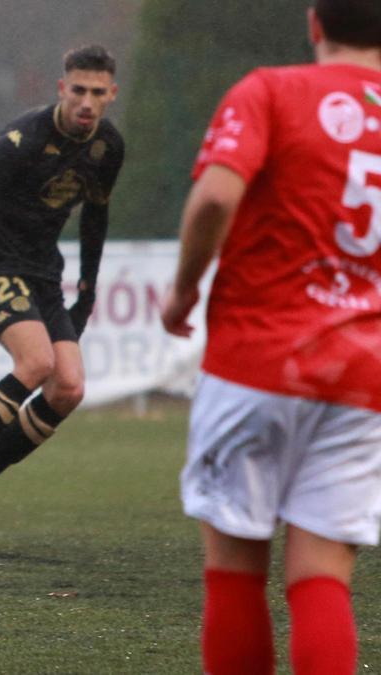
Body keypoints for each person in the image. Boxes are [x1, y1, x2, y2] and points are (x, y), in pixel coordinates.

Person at [160, 2, 381, 672]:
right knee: (321, 574)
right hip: (360, 378)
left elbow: (217, 198)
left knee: (234, 565)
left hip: (255, 359)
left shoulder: (270, 91)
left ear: (314, 23)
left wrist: (184, 288)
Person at [0, 45, 124, 548]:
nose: (87, 103)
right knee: (36, 362)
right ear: (62, 89)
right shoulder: (19, 141)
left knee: (68, 388)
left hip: (44, 276)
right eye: (78, 90)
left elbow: (95, 217)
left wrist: (88, 292)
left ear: (111, 95)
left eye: (98, 93)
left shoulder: (108, 148)